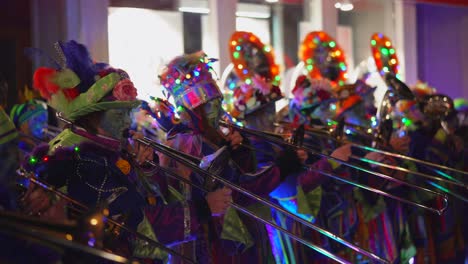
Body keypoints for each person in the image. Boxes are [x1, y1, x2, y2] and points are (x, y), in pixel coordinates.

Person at [21, 40, 232, 263]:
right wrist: (203, 208)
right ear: (95, 116)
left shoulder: (103, 147)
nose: (127, 119)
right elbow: (136, 224)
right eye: (118, 113)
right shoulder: (85, 158)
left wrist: (147, 171)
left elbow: (146, 201)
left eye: (127, 112)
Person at [157, 51, 306, 263]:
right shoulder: (190, 143)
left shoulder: (198, 138)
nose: (219, 111)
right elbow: (238, 192)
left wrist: (239, 152)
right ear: (195, 110)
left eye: (218, 102)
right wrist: (281, 168)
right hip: (218, 245)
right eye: (211, 105)